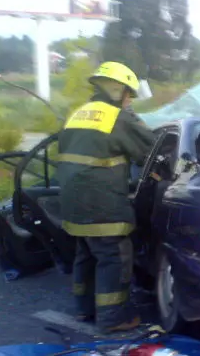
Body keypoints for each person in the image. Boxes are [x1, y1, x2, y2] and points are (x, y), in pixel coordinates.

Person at [57, 61, 157, 333]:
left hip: (72, 200)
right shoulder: (117, 117)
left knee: (87, 254)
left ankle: (84, 310)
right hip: (102, 202)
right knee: (115, 257)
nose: (130, 100)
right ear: (118, 90)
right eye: (129, 94)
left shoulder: (78, 113)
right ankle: (113, 318)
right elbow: (150, 149)